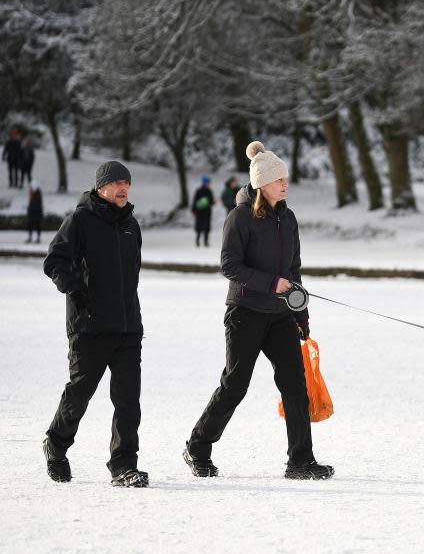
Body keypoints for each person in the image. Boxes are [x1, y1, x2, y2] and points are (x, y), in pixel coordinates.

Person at [184, 141, 333, 481]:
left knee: (295, 385)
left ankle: (300, 461)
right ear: (261, 184)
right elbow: (229, 265)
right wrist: (270, 283)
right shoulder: (239, 218)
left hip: (280, 314)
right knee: (235, 384)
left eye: (285, 179)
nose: (285, 184)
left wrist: (300, 313)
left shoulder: (288, 218)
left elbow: (293, 268)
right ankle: (198, 447)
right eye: (278, 179)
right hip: (245, 312)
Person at [42, 161, 147, 487]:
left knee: (128, 400)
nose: (122, 188)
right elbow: (54, 261)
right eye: (115, 182)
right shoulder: (80, 220)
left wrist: (133, 315)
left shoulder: (132, 226)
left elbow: (131, 275)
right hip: (89, 326)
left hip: (127, 327)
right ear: (101, 187)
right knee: (80, 393)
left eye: (126, 182)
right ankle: (56, 444)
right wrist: (77, 290)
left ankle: (124, 465)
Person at [191, 175, 216, 247]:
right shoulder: (208, 191)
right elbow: (211, 201)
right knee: (206, 226)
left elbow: (195, 201)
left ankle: (198, 241)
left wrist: (193, 210)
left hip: (199, 212)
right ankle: (205, 242)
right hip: (206, 212)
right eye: (208, 182)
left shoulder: (198, 190)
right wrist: (213, 202)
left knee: (199, 226)